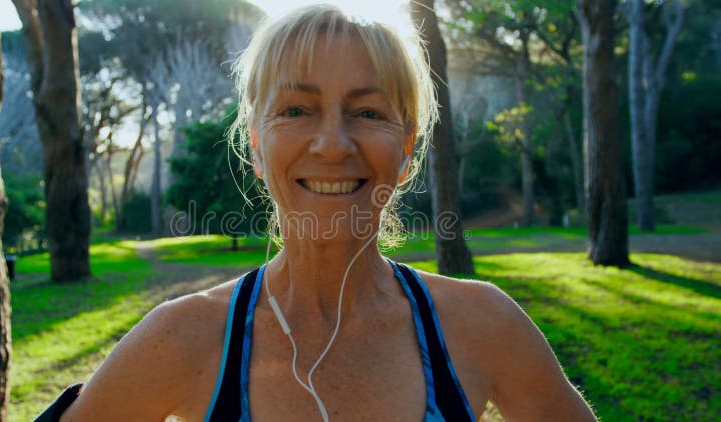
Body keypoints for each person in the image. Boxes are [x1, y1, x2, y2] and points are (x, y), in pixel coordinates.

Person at [41, 5, 597, 421]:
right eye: (297, 109)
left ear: (406, 151)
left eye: (368, 111)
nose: (333, 144)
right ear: (256, 147)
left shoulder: (484, 326)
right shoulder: (182, 338)